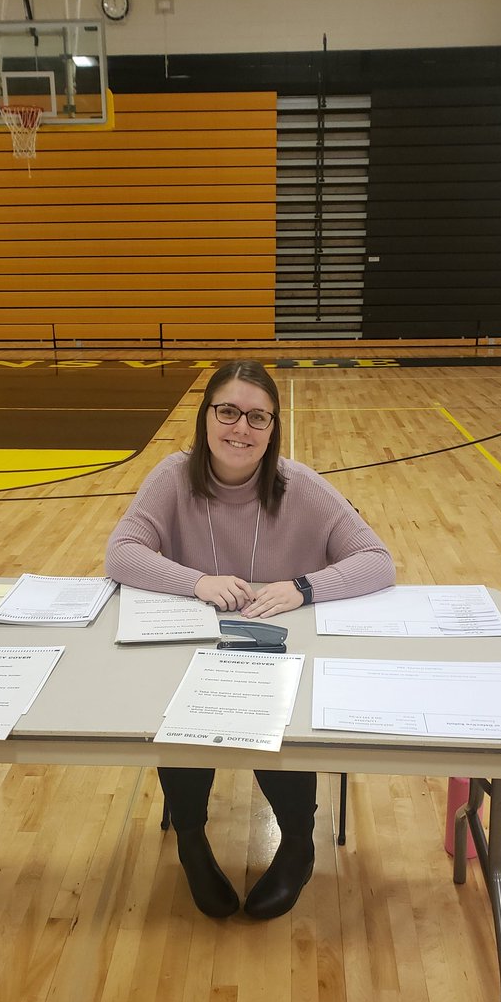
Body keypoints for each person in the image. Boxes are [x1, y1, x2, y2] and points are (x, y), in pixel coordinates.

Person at [106, 360, 395, 920]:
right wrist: (195, 582)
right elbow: (121, 554)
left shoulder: (299, 485)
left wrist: (305, 587)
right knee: (182, 717)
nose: (241, 428)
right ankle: (191, 839)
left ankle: (297, 842)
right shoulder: (173, 475)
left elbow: (377, 561)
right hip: (194, 651)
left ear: (273, 427)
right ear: (206, 417)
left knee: (271, 721)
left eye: (258, 417)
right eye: (229, 411)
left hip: (276, 655)